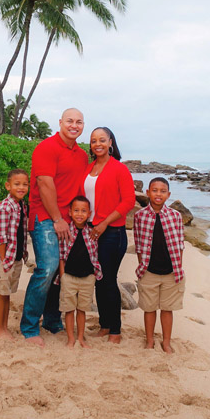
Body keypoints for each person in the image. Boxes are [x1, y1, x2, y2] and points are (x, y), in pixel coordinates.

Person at [20, 108, 88, 346]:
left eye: (79, 122)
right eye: (70, 120)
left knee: (61, 273)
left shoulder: (81, 155)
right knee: (47, 269)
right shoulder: (46, 148)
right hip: (45, 217)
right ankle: (29, 327)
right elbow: (44, 184)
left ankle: (52, 320)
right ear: (60, 122)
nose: (74, 125)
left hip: (69, 220)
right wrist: (58, 218)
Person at [80, 127, 135, 343]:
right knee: (98, 280)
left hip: (112, 232)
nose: (97, 144)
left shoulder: (119, 169)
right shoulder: (88, 168)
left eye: (102, 140)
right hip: (91, 231)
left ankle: (115, 331)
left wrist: (104, 223)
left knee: (109, 280)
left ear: (110, 142)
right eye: (93, 141)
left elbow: (129, 201)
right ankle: (105, 325)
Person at [133, 177, 185, 354]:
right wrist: (142, 266)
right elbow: (138, 243)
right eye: (154, 190)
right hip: (149, 270)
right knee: (149, 308)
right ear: (148, 193)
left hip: (171, 272)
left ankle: (166, 342)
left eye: (163, 191)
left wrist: (179, 267)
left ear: (168, 195)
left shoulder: (176, 216)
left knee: (167, 308)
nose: (158, 194)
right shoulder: (140, 216)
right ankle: (149, 341)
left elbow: (180, 245)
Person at [0, 169, 29, 340]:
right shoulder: (5, 207)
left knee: (7, 293)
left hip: (15, 257)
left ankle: (4, 326)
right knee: (2, 293)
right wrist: (4, 261)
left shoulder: (21, 205)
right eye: (17, 184)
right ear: (8, 186)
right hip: (5, 259)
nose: (21, 187)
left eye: (25, 184)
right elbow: (0, 237)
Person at [57, 196, 103, 349]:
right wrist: (62, 275)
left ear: (89, 213)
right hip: (69, 276)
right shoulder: (66, 231)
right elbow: (61, 255)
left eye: (83, 211)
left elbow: (95, 255)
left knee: (82, 310)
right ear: (70, 212)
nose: (79, 214)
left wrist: (94, 275)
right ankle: (71, 339)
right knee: (69, 309)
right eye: (76, 210)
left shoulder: (92, 232)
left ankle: (81, 338)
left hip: (87, 277)